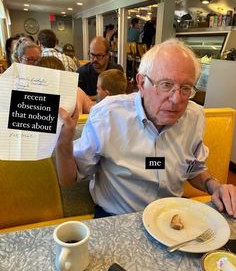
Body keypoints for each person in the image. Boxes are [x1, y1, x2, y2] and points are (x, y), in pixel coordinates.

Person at [56, 38, 236, 219]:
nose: (177, 99)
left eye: (185, 88)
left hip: (171, 216)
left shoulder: (194, 117)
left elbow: (193, 168)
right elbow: (69, 179)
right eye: (166, 85)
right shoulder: (108, 115)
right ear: (142, 83)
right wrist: (64, 143)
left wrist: (216, 186)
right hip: (118, 218)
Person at [77, 36, 123, 101]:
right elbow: (77, 97)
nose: (95, 59)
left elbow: (119, 96)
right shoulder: (81, 73)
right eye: (92, 55)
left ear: (108, 55)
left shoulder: (116, 71)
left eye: (99, 56)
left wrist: (89, 97)